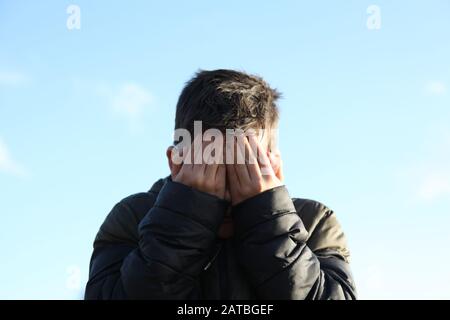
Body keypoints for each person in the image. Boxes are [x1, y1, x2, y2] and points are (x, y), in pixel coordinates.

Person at [84, 69, 356, 299]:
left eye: (243, 169)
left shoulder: (315, 221)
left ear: (274, 167)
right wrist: (187, 214)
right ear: (176, 162)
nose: (225, 194)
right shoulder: (133, 217)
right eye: (209, 167)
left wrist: (267, 220)